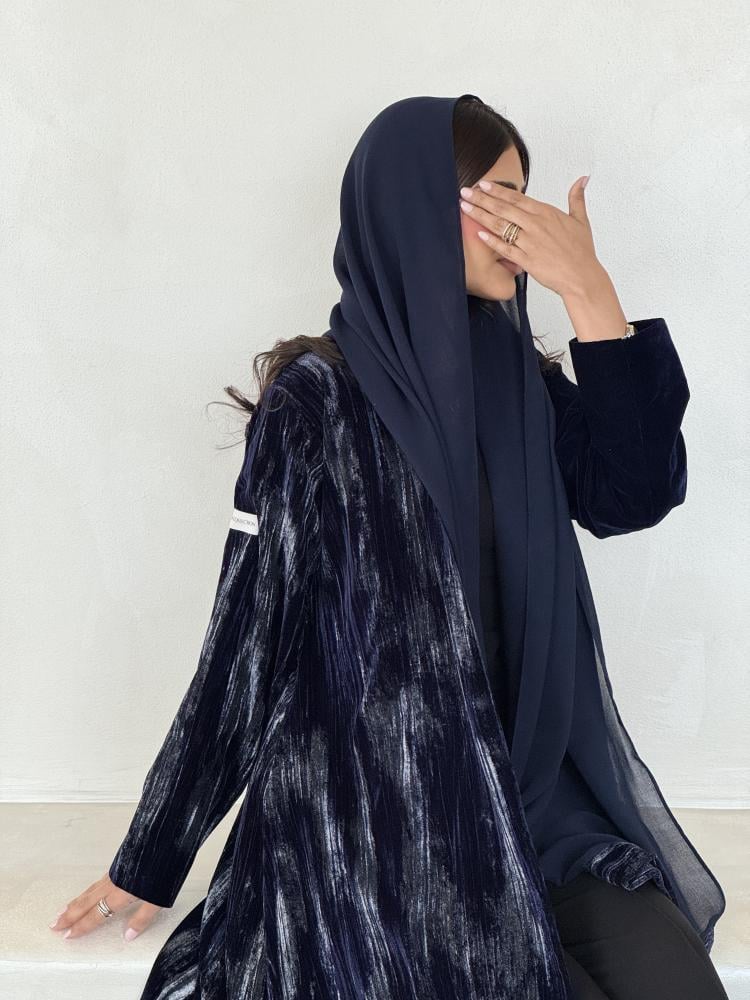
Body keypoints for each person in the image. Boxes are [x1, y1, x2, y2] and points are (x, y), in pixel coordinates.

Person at [49, 94, 728, 1000]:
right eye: (497, 198)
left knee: (677, 982)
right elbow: (248, 642)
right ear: (412, 209)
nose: (523, 226)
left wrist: (591, 294)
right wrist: (153, 854)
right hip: (385, 812)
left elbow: (633, 496)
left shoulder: (520, 385)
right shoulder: (317, 401)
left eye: (525, 197)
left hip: (534, 798)